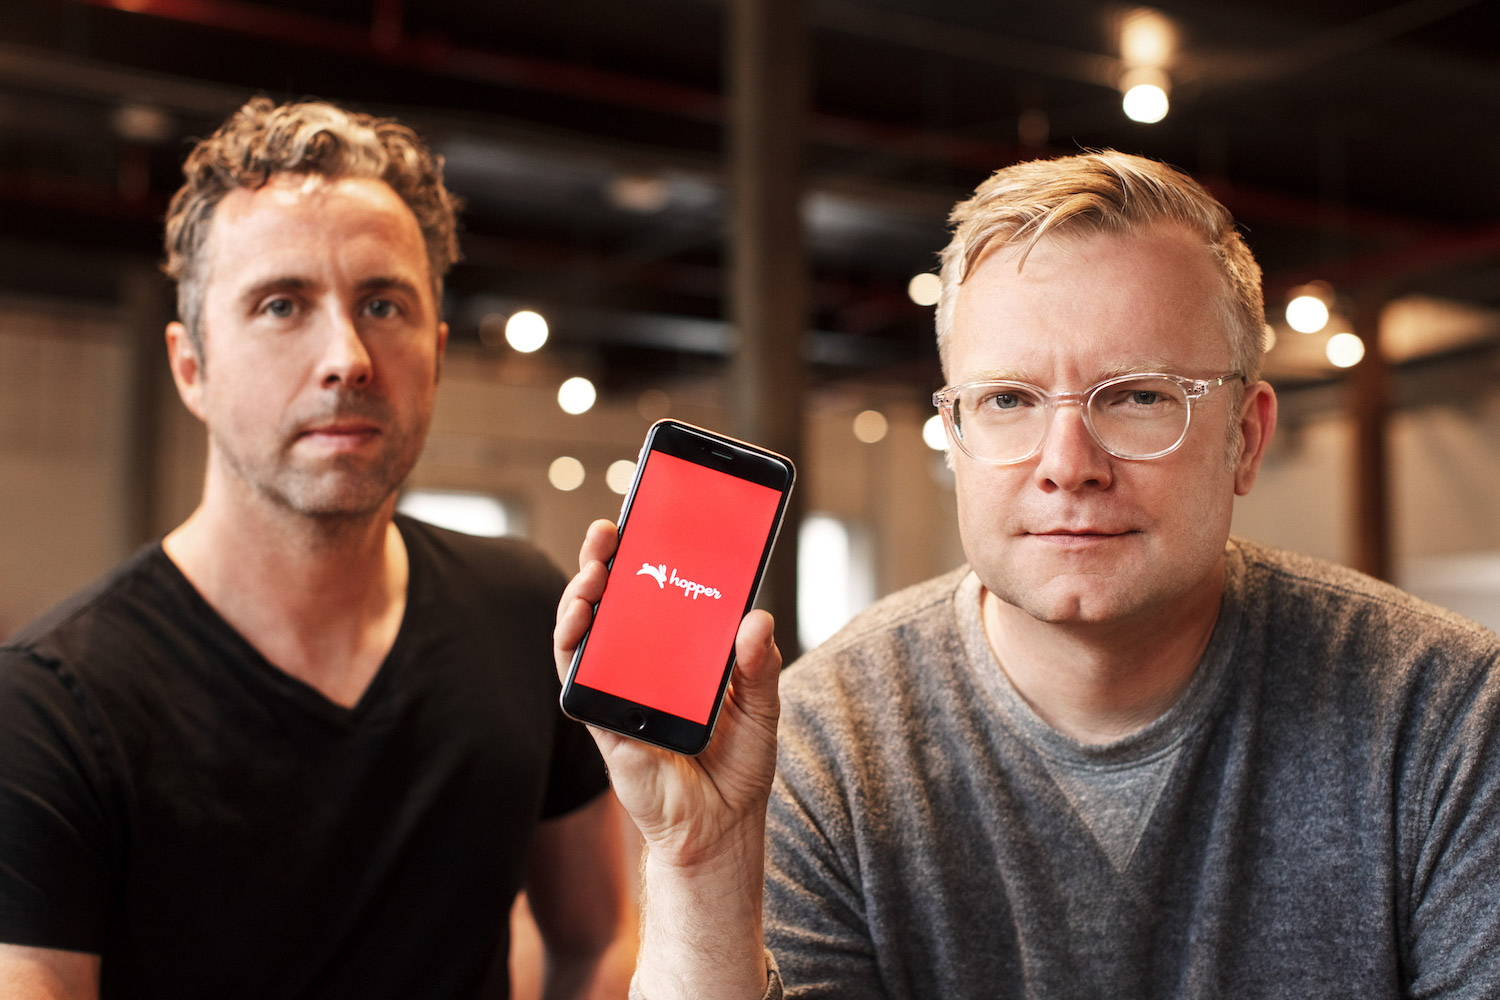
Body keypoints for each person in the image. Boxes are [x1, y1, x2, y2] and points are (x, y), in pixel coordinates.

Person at [553, 150, 1500, 999]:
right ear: (956, 438)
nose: (1066, 462)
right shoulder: (822, 743)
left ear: (1244, 440)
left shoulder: (1443, 717)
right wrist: (699, 862)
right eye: (1006, 399)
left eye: (1136, 397)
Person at [0, 97, 627, 999]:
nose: (348, 356)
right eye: (281, 305)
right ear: (191, 367)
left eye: (383, 303)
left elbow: (599, 942)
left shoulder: (525, 610)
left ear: (438, 353)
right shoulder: (48, 710)